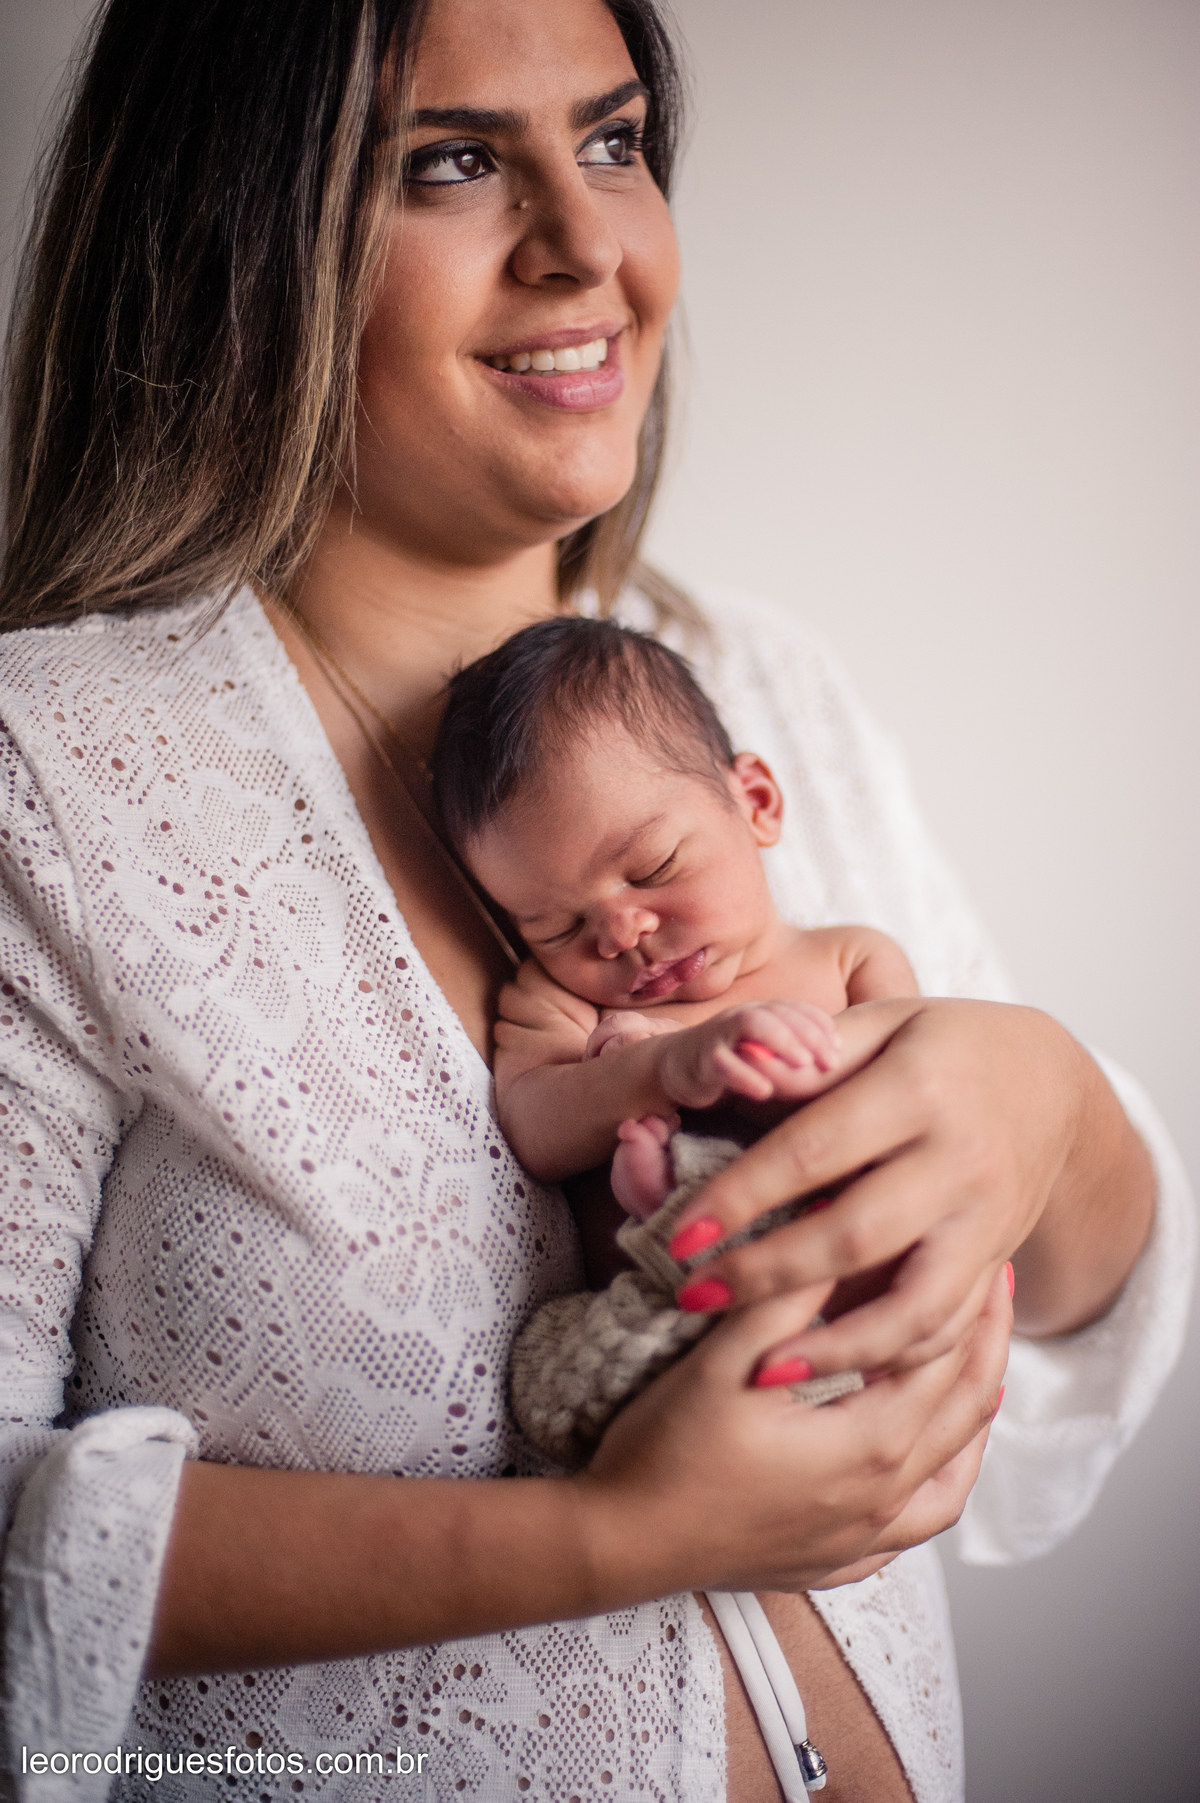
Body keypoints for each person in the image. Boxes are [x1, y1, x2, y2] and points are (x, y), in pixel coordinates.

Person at [0, 3, 1189, 1802]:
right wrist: (613, 1535)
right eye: (453, 161)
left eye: (617, 140)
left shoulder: (762, 690)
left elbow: (1074, 1300)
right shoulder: (52, 778)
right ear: (237, 236)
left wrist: (1045, 1105)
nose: (590, 248)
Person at [432, 613, 921, 1224]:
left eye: (654, 868)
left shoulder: (853, 959)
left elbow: (919, 1080)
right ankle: (671, 1193)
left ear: (758, 805)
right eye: (556, 927)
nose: (620, 935)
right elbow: (534, 1128)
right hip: (673, 1294)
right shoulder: (561, 1002)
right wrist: (661, 1069)